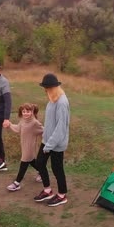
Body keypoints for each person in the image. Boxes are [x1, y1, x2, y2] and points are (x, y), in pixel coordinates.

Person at [33, 73, 70, 207]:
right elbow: (51, 122)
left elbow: (61, 128)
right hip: (48, 140)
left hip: (57, 143)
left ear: (54, 87)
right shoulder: (52, 98)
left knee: (57, 168)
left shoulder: (62, 102)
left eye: (47, 87)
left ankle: (62, 195)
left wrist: (49, 145)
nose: (45, 90)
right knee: (40, 163)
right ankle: (48, 190)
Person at [6, 103, 44, 191]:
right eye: (23, 111)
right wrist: (10, 125)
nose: (25, 113)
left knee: (24, 162)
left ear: (32, 112)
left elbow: (43, 130)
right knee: (31, 161)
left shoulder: (35, 123)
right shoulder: (23, 120)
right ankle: (42, 172)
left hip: (30, 147)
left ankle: (17, 183)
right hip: (24, 145)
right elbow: (18, 129)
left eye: (28, 111)